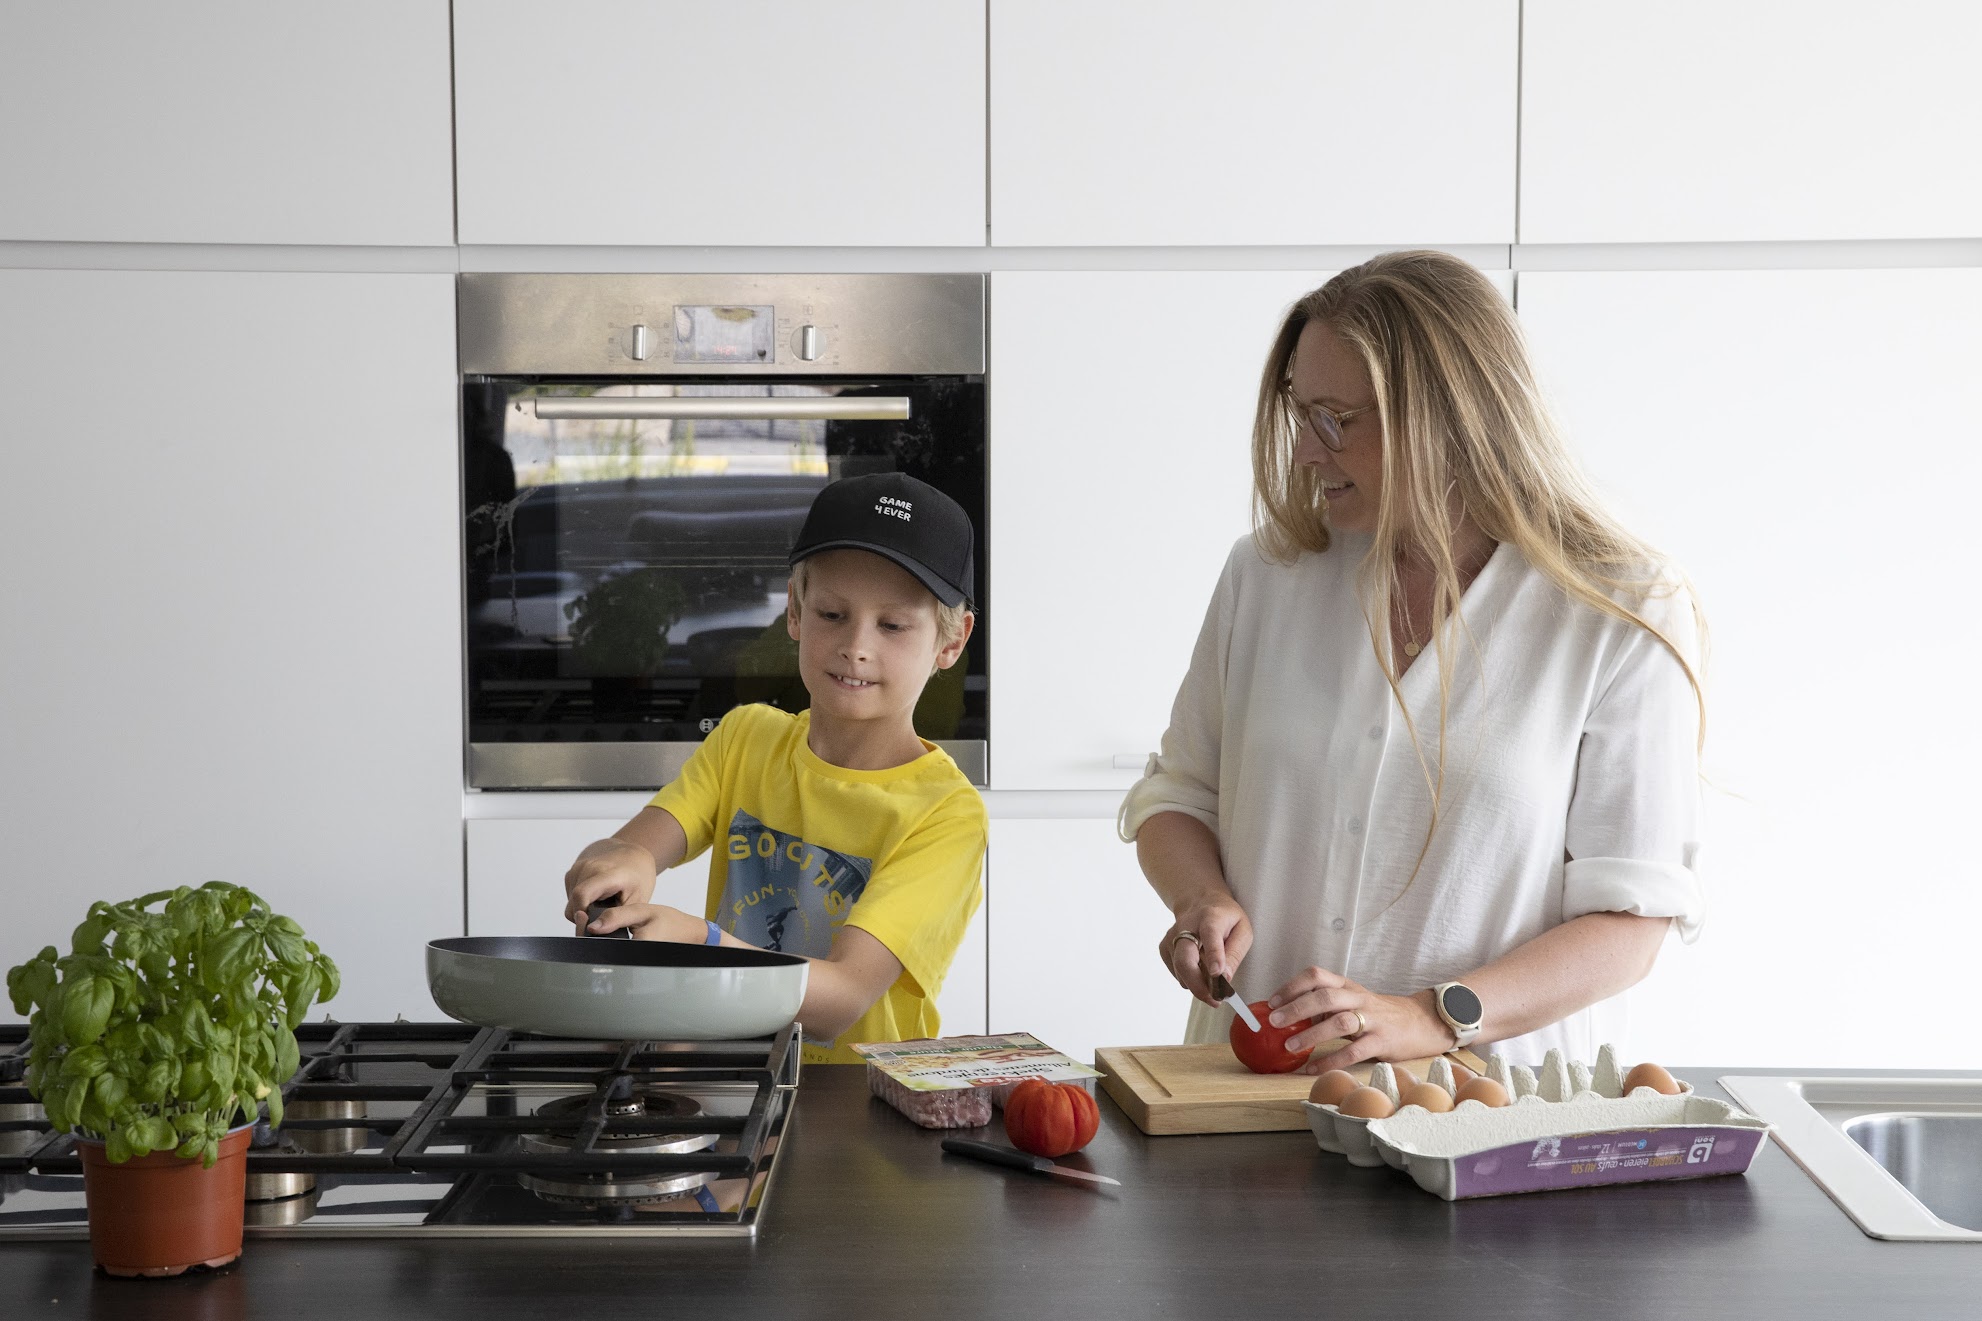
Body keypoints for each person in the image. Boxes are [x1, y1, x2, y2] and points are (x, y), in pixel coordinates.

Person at [1124, 250, 1706, 1070]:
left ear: (1449, 417)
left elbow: (1630, 922)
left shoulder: (1621, 607)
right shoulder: (1265, 576)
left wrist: (1433, 1016)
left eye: (1335, 420)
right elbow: (1179, 794)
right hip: (1249, 1103)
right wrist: (1201, 897)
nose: (1304, 453)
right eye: (1301, 414)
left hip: (1483, 1114)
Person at [564, 472, 986, 1064]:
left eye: (892, 625)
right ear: (794, 609)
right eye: (833, 614)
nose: (856, 645)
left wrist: (702, 942)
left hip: (856, 1106)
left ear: (950, 642)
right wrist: (617, 866)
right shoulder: (746, 738)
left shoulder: (946, 814)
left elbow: (842, 997)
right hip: (732, 1074)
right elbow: (631, 848)